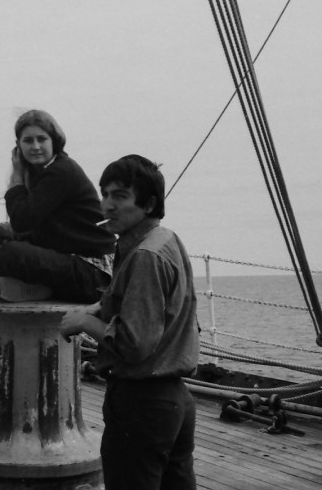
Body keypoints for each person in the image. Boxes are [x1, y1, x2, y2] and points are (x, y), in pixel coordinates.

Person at [60, 154, 199, 490]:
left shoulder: (144, 257)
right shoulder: (165, 240)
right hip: (175, 401)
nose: (107, 205)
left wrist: (82, 322)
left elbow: (134, 345)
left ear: (148, 204)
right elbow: (155, 307)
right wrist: (99, 308)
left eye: (120, 196)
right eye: (105, 194)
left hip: (141, 406)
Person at [0, 109, 114, 303]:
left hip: (92, 273)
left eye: (42, 139)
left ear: (53, 141)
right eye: (28, 141)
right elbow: (43, 232)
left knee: (10, 253)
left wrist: (16, 180)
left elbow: (23, 221)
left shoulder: (61, 171)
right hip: (64, 256)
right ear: (19, 145)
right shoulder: (42, 173)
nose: (36, 146)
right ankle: (39, 288)